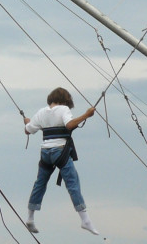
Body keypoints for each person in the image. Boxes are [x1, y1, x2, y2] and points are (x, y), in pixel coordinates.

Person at [23, 87, 99, 235]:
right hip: (60, 151)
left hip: (45, 153)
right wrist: (87, 115)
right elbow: (69, 125)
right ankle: (85, 220)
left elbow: (28, 130)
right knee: (72, 183)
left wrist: (28, 122)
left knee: (40, 183)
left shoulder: (41, 112)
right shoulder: (63, 109)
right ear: (66, 100)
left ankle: (30, 218)